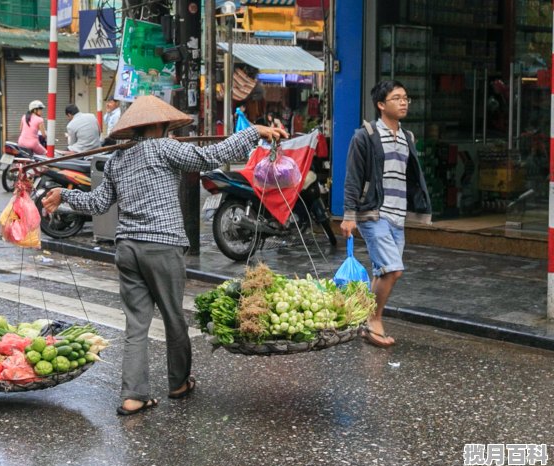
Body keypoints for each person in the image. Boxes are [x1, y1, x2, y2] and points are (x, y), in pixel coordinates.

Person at [42, 95, 286, 416]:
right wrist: (253, 131)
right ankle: (178, 383)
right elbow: (210, 156)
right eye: (166, 126)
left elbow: (99, 203)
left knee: (136, 325)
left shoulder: (117, 160)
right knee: (173, 318)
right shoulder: (162, 148)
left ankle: (133, 396)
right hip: (162, 244)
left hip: (127, 249)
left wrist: (65, 195)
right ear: (156, 126)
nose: (169, 130)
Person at [340, 80, 432, 348]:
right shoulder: (365, 136)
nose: (403, 102)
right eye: (396, 98)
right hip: (372, 214)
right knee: (393, 270)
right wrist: (349, 215)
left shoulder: (408, 138)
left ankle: (365, 321)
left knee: (382, 272)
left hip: (398, 216)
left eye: (406, 97)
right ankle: (373, 320)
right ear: (381, 105)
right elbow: (353, 178)